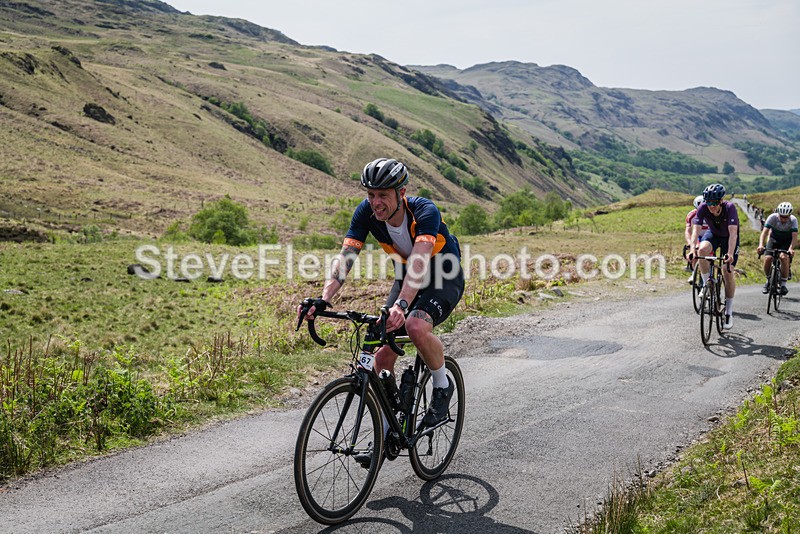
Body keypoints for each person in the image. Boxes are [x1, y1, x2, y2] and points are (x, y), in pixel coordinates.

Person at [299, 157, 464, 431]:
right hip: (405, 278)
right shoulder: (366, 213)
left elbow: (420, 264)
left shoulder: (425, 211)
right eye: (371, 194)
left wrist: (401, 305)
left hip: (443, 276)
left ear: (401, 193)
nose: (376, 202)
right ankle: (388, 428)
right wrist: (323, 298)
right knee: (382, 352)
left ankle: (441, 385)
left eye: (383, 195)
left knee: (414, 325)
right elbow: (346, 258)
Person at [690, 183, 739, 329]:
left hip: (729, 238)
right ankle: (706, 284)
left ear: (721, 201)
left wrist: (729, 254)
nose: (711, 206)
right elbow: (695, 230)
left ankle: (729, 312)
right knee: (701, 251)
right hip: (714, 235)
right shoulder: (703, 208)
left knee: (727, 270)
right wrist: (692, 248)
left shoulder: (730, 208)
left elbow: (733, 234)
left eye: (714, 203)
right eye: (708, 202)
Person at [757, 202, 797, 295]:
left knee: (784, 257)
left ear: (789, 215)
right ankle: (768, 280)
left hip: (786, 241)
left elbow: (795, 236)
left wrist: (791, 248)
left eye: (786, 217)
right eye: (781, 216)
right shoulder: (772, 217)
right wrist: (761, 245)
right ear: (778, 213)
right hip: (774, 239)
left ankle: (783, 284)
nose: (783, 219)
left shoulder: (793, 220)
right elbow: (764, 232)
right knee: (768, 258)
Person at [684, 195, 707, 279]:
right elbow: (688, 230)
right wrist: (690, 243)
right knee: (695, 252)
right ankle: (694, 273)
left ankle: (710, 272)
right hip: (697, 235)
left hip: (709, 235)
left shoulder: (711, 214)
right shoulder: (691, 215)